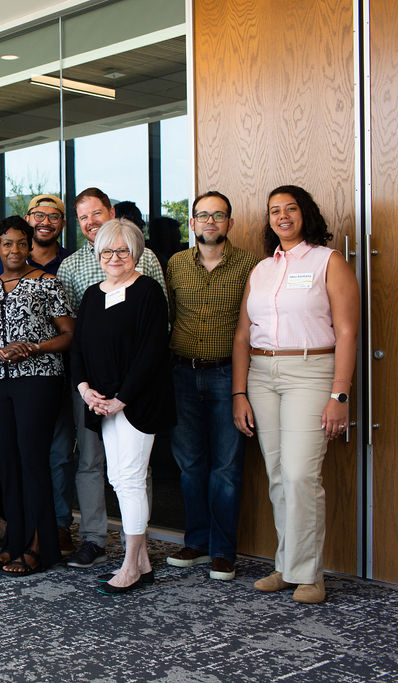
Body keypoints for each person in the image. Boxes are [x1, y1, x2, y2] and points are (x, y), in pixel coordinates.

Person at [233, 185, 359, 604]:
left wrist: (339, 394)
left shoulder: (329, 261)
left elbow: (346, 332)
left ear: (305, 213)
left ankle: (310, 575)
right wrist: (239, 391)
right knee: (277, 474)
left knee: (302, 475)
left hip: (311, 370)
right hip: (263, 373)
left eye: (290, 209)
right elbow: (242, 336)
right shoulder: (262, 269)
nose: (282, 216)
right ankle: (287, 566)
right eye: (274, 210)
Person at [57, 187, 168, 569]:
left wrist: (121, 397)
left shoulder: (148, 284)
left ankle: (134, 556)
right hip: (98, 398)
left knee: (132, 476)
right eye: (107, 252)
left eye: (122, 251)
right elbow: (80, 344)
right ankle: (117, 551)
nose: (115, 258)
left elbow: (153, 346)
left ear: (135, 252)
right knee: (110, 473)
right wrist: (86, 389)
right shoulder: (88, 289)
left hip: (134, 400)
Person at [0, 216, 73, 576]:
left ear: (30, 246)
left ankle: (40, 544)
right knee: (7, 464)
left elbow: (68, 335)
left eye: (21, 243)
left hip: (38, 381)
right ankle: (14, 542)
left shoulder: (48, 284)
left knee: (33, 462)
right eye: (7, 243)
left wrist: (34, 347)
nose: (14, 249)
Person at [165, 191, 258, 581]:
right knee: (189, 465)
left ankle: (223, 550)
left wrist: (239, 388)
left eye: (218, 216)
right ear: (192, 223)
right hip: (181, 374)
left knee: (226, 467)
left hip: (227, 376)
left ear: (230, 224)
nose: (209, 222)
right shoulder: (175, 264)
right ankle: (197, 542)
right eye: (202, 215)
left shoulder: (251, 265)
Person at [0, 194, 70, 279]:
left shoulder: (71, 263)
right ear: (27, 219)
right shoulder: (5, 263)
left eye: (54, 217)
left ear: (63, 223)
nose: (45, 222)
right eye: (39, 215)